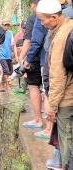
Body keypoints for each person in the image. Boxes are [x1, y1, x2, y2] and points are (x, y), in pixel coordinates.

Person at [36, 0, 73, 169]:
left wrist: (52, 105)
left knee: (67, 140)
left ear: (54, 17)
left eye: (43, 20)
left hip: (67, 97)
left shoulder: (62, 35)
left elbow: (58, 75)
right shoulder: (67, 27)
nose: (42, 24)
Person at [22, 0, 48, 131]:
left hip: (38, 57)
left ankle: (39, 120)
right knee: (47, 89)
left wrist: (24, 58)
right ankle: (51, 125)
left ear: (33, 5)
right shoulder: (61, 13)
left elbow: (30, 40)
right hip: (50, 56)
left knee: (34, 87)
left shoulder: (35, 17)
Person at [0, 20, 13, 92]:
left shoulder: (10, 33)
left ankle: (1, 85)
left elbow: (12, 44)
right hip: (1, 55)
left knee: (8, 71)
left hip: (8, 55)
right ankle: (7, 86)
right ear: (2, 25)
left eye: (8, 25)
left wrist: (13, 52)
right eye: (5, 25)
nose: (6, 26)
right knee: (6, 70)